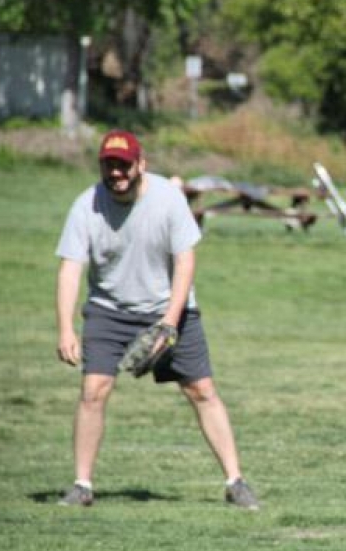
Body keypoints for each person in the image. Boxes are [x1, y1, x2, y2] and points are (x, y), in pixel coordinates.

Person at [54, 129, 259, 510]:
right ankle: (82, 486)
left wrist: (169, 321)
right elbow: (70, 269)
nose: (116, 172)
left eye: (123, 164)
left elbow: (186, 262)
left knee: (202, 391)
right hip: (109, 310)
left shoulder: (167, 199)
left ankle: (236, 482)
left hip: (170, 306)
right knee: (93, 390)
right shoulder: (87, 205)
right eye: (109, 164)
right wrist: (66, 328)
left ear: (140, 165)